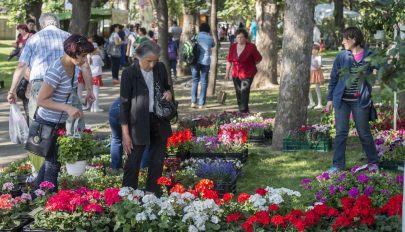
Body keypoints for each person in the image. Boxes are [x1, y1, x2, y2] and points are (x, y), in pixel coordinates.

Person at [7, 13, 94, 132]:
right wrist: (89, 90)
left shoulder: (34, 38)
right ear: (57, 24)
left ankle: (41, 146)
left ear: (42, 25)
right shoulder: (69, 38)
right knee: (74, 128)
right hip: (66, 85)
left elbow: (22, 65)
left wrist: (12, 90)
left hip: (39, 84)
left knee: (40, 130)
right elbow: (86, 66)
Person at [35, 34, 94, 191]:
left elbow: (84, 71)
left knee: (52, 160)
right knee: (53, 163)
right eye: (82, 56)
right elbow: (41, 100)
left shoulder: (74, 66)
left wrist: (89, 91)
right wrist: (67, 108)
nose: (84, 60)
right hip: (47, 121)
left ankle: (37, 193)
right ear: (71, 53)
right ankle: (49, 201)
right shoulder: (56, 70)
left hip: (59, 121)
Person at [120, 40, 172, 194]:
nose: (152, 65)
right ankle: (128, 195)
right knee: (133, 160)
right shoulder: (129, 73)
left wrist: (168, 93)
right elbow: (124, 105)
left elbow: (167, 88)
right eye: (148, 61)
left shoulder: (160, 68)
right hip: (137, 123)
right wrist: (125, 134)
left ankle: (152, 194)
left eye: (155, 61)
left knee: (157, 160)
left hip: (159, 120)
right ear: (138, 57)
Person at [325, 27, 378, 173]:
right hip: (342, 100)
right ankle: (338, 165)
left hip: (360, 101)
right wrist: (330, 99)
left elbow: (382, 68)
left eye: (344, 39)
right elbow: (334, 78)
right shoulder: (341, 56)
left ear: (353, 39)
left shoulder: (369, 55)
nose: (342, 42)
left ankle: (373, 162)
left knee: (363, 132)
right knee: (341, 132)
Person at [225, 28, 262, 113]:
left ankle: (243, 112)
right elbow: (229, 60)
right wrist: (227, 73)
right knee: (238, 92)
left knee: (244, 91)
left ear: (246, 38)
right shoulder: (233, 47)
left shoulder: (251, 47)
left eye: (241, 37)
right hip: (236, 73)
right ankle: (244, 110)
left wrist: (252, 64)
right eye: (237, 37)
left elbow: (259, 59)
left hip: (248, 73)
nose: (239, 39)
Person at [109, 97, 150, 170]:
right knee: (145, 140)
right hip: (132, 109)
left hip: (115, 106)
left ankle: (115, 168)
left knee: (116, 138)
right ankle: (143, 169)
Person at [190, 23, 215, 109]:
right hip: (206, 62)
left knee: (194, 81)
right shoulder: (210, 38)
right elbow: (213, 45)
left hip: (195, 61)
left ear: (200, 29)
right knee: (204, 82)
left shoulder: (196, 36)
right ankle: (201, 103)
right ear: (208, 29)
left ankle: (193, 102)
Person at [88, 43, 104, 112]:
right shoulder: (98, 57)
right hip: (97, 75)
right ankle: (96, 107)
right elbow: (102, 64)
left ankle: (92, 107)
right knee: (96, 92)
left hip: (90, 76)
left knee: (92, 92)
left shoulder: (88, 56)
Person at [308, 43, 324, 110]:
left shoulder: (319, 57)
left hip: (317, 73)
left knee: (317, 88)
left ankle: (319, 103)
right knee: (307, 88)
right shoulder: (310, 57)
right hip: (311, 73)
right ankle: (311, 102)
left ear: (318, 50)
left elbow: (319, 66)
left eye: (315, 50)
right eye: (313, 50)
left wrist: (314, 64)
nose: (314, 51)